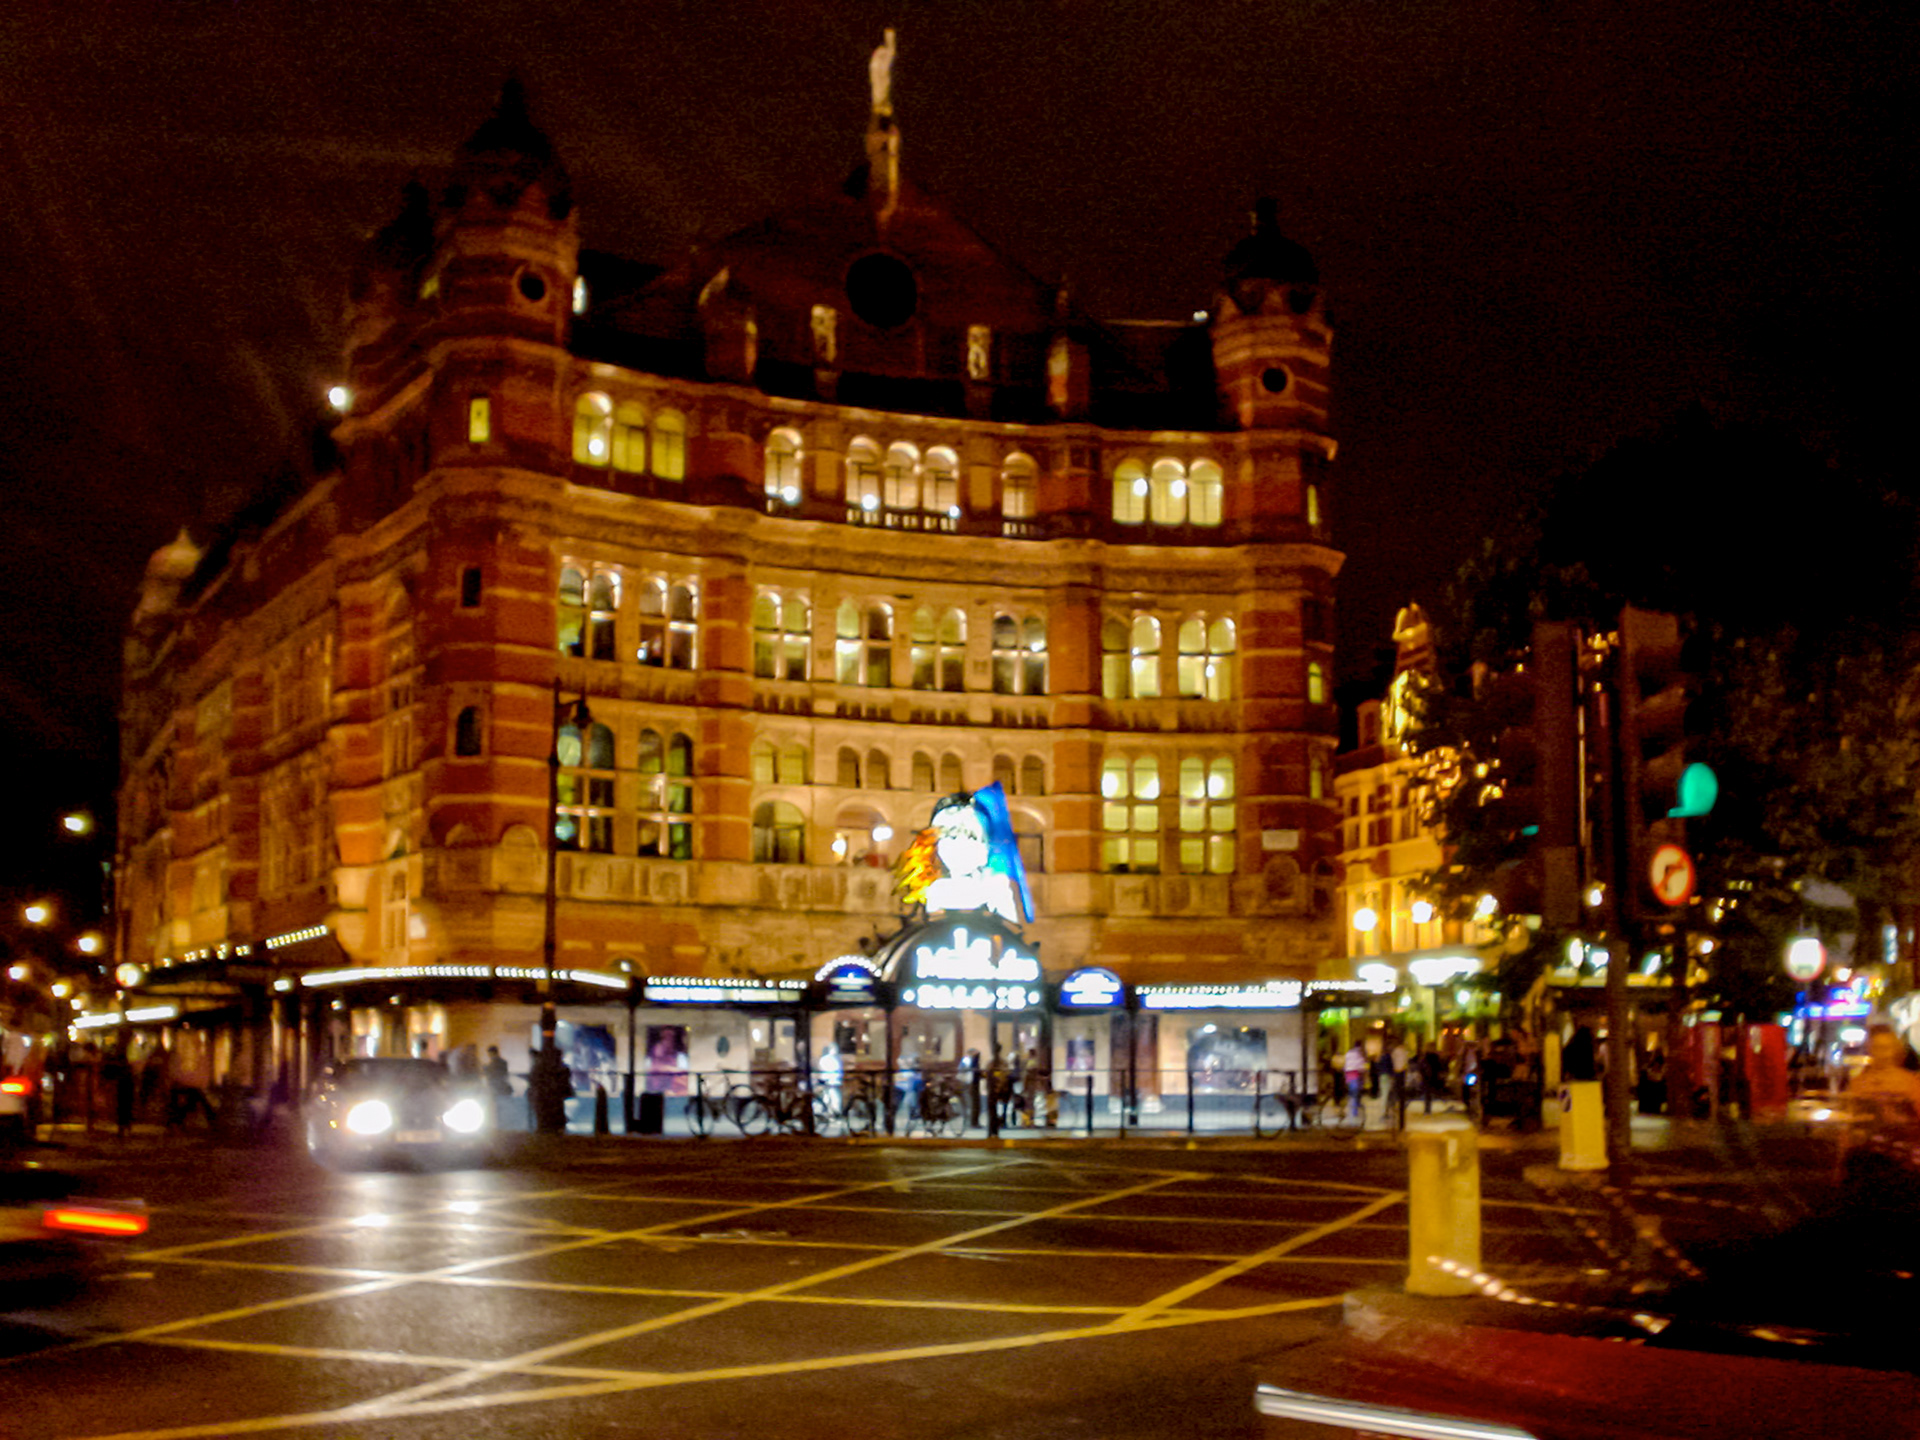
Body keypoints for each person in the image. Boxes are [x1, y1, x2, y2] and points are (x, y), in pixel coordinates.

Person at [1850, 1024, 1920, 1111]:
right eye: (1878, 1048)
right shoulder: (1859, 1083)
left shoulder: (1910, 1083)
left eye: (1888, 1048)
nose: (1884, 1054)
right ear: (1870, 1049)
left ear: (1895, 1050)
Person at [1342, 1042, 1366, 1120]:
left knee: (1352, 1092)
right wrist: (1364, 1069)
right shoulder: (1358, 1054)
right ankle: (1354, 1110)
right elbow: (1361, 1066)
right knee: (1356, 1092)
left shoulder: (1348, 1053)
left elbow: (1345, 1064)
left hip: (1348, 1075)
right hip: (1355, 1075)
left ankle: (1353, 1106)